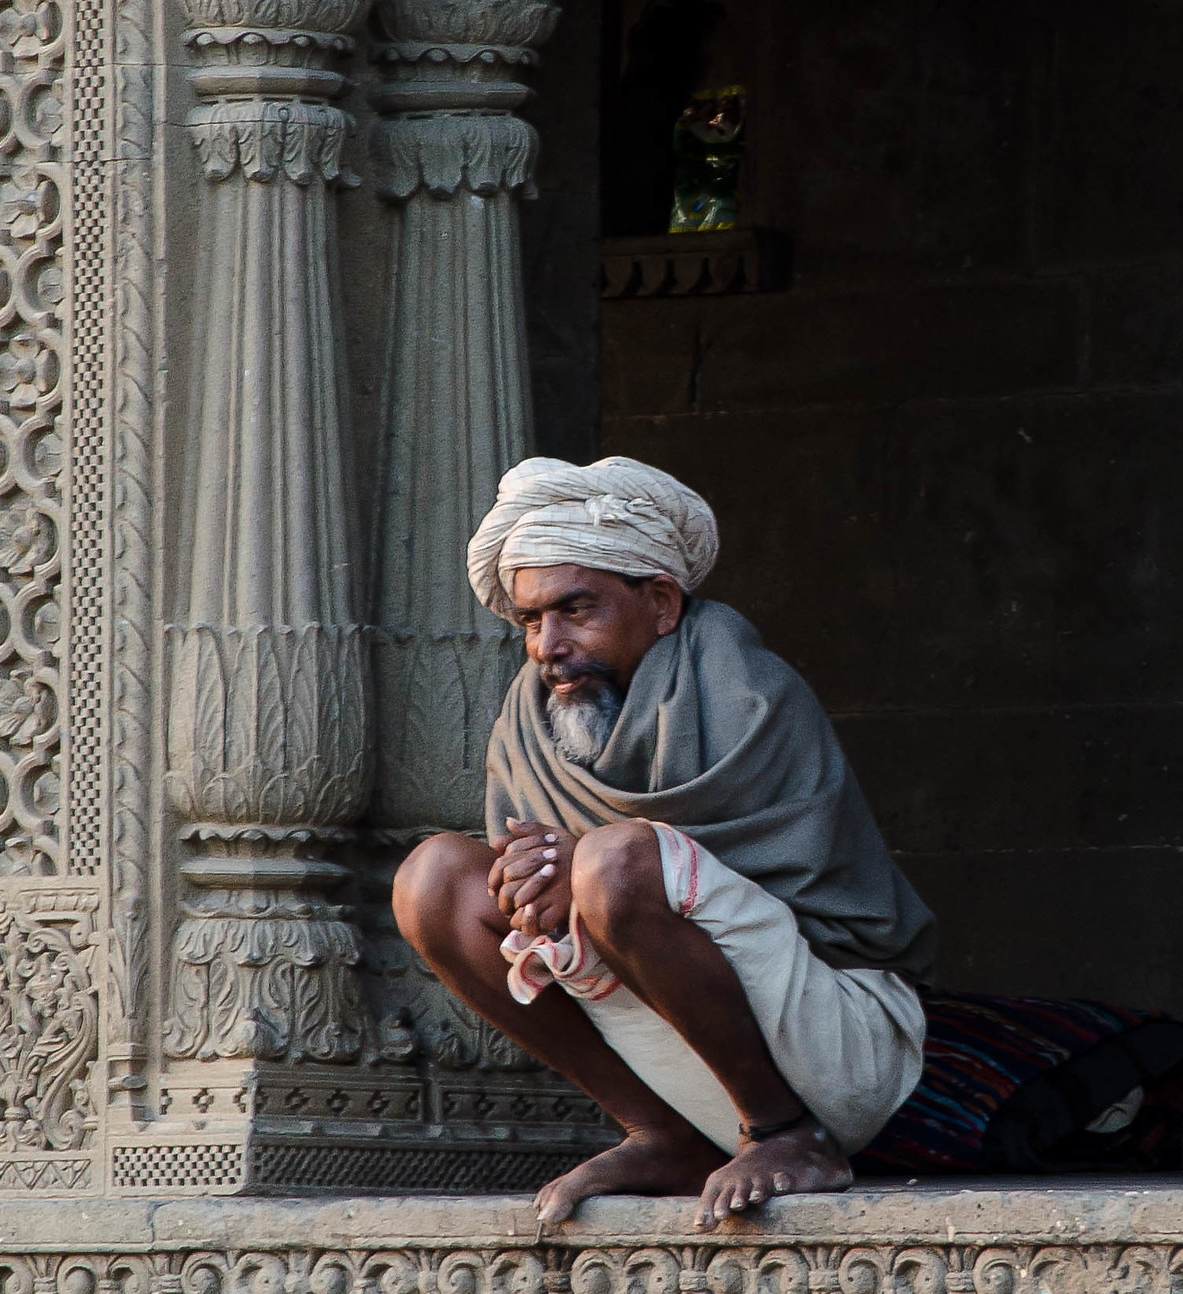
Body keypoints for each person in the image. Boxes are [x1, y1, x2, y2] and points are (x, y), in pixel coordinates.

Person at [392, 454, 936, 1232]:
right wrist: (537, 878)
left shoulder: (744, 689)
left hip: (834, 1039)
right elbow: (533, 900)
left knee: (614, 863)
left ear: (660, 603)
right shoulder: (532, 712)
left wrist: (577, 861)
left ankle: (787, 1135)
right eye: (529, 621)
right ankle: (664, 1134)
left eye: (575, 610)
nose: (548, 644)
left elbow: (669, 878)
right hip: (674, 1055)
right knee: (435, 879)